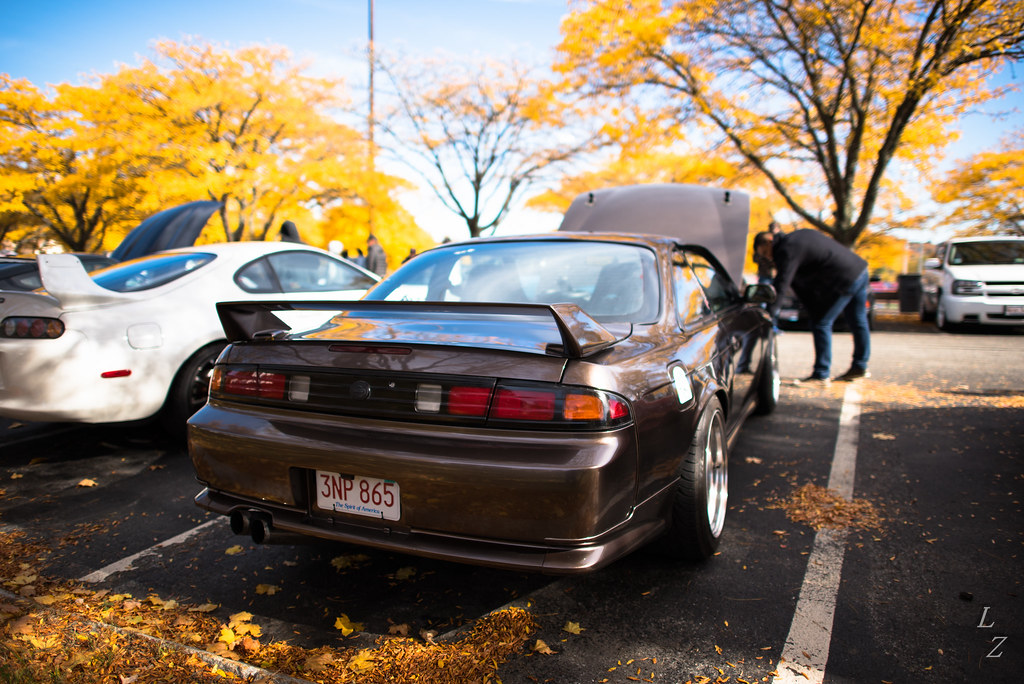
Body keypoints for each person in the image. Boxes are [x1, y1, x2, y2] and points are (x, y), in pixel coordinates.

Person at [754, 228, 871, 384]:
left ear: (769, 241)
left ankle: (821, 373)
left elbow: (782, 284)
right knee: (858, 321)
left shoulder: (787, 249)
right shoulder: (797, 239)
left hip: (845, 277)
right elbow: (800, 284)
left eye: (765, 253)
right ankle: (860, 365)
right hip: (859, 270)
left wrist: (769, 314)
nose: (767, 257)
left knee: (821, 323)